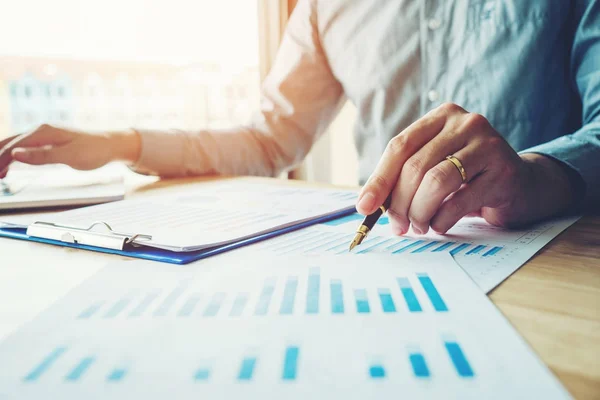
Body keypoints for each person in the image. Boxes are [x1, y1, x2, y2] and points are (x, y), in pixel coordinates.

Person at [0, 1, 598, 235]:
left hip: (549, 260)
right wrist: (120, 141)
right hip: (386, 251)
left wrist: (538, 175)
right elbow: (268, 139)